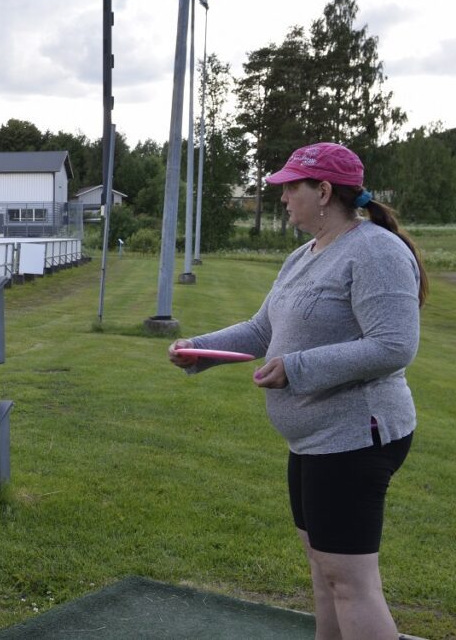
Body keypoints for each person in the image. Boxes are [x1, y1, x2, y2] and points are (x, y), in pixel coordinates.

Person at [168, 142, 427, 640]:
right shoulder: (303, 255)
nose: (283, 197)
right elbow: (263, 329)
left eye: (292, 187)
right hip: (312, 439)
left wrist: (298, 368)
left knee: (350, 582)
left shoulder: (376, 250)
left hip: (356, 435)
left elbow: (394, 346)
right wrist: (198, 349)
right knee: (325, 571)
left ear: (324, 191)